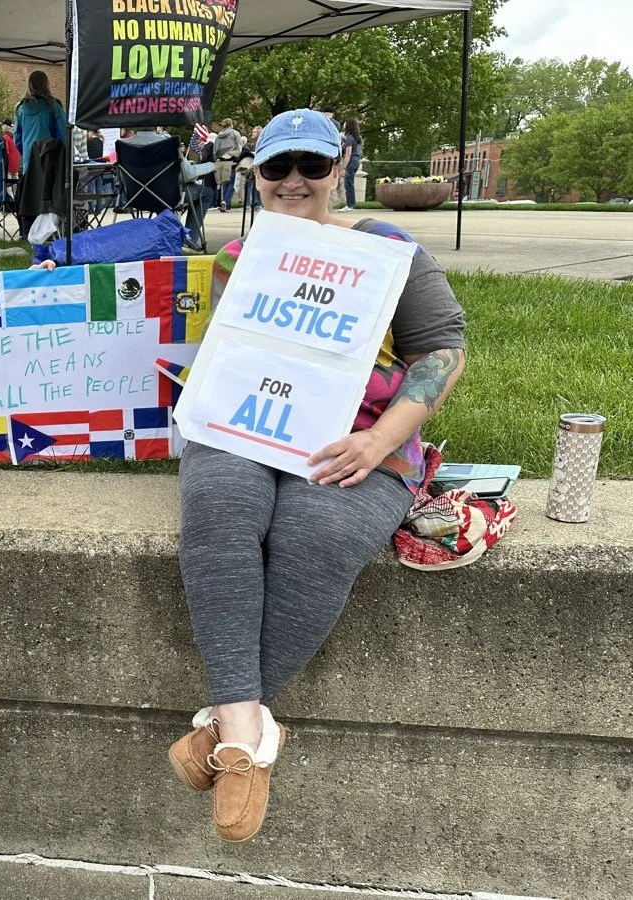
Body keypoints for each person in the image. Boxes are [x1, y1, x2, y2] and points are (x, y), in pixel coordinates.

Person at [169, 107, 466, 844]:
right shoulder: (239, 254)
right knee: (220, 503)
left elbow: (442, 352)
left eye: (312, 166)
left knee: (316, 530)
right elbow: (229, 354)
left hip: (362, 439)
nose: (295, 181)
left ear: (338, 169)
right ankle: (250, 727)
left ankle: (231, 728)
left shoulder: (391, 249)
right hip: (249, 427)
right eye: (277, 167)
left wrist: (379, 445)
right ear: (256, 175)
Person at [122, 128, 215, 250]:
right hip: (168, 196)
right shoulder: (167, 143)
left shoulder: (124, 145)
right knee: (207, 192)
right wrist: (211, 166)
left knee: (166, 199)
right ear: (157, 127)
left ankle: (165, 235)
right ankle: (189, 239)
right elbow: (188, 174)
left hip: (136, 197)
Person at [13, 70, 67, 174]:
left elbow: (17, 139)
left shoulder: (20, 109)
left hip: (29, 160)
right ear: (46, 84)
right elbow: (64, 134)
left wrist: (27, 152)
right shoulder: (53, 106)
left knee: (31, 188)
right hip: (50, 158)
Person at [211, 119, 243, 211]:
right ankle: (225, 201)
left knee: (225, 182)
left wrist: (216, 159)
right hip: (232, 161)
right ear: (231, 124)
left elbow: (215, 151)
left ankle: (225, 203)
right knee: (232, 183)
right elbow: (239, 148)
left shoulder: (218, 137)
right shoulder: (235, 134)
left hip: (220, 161)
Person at [340, 119, 363, 211]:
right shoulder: (358, 139)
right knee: (350, 183)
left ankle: (350, 205)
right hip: (356, 160)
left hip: (351, 161)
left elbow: (348, 153)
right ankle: (351, 204)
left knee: (348, 183)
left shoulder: (349, 138)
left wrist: (343, 167)